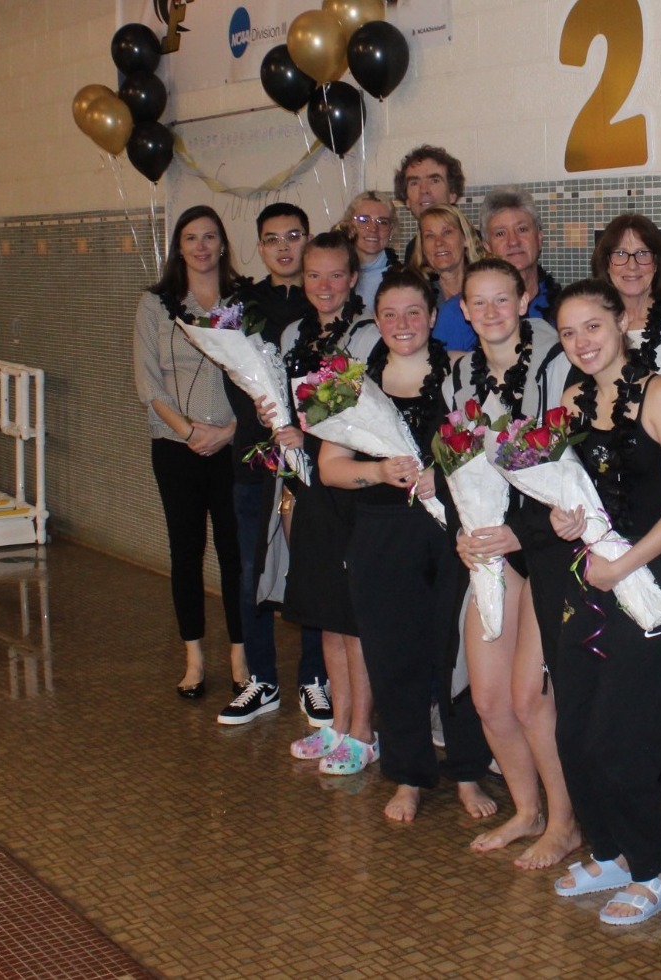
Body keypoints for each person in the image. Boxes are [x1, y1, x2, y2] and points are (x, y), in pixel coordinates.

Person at [545, 280, 661, 925]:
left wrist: (623, 566)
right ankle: (608, 851)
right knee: (574, 727)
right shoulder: (572, 400)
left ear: (620, 325)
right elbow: (571, 491)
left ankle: (653, 869)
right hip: (591, 575)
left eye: (592, 326)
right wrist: (564, 520)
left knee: (622, 735)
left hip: (653, 577)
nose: (582, 342)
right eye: (568, 333)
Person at [318, 269, 497, 822]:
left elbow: (488, 448)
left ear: (433, 315)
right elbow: (329, 469)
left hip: (450, 533)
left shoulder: (463, 372)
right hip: (381, 533)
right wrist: (379, 471)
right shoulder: (350, 383)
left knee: (455, 654)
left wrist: (444, 472)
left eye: (414, 311)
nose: (403, 323)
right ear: (376, 320)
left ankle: (466, 771)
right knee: (392, 658)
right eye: (390, 314)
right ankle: (408, 775)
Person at [448, 258, 577, 867]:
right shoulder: (459, 377)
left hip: (547, 547)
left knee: (530, 699)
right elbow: (453, 463)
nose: (492, 311)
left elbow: (570, 470)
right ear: (464, 310)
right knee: (489, 699)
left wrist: (519, 534)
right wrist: (463, 531)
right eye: (479, 301)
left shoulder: (557, 365)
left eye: (504, 298)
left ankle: (565, 822)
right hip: (494, 549)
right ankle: (527, 811)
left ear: (525, 300)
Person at [254, 232, 380, 772]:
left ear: (353, 278)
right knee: (327, 616)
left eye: (335, 275)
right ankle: (338, 724)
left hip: (353, 488)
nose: (324, 286)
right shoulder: (292, 335)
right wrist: (274, 418)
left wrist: (308, 438)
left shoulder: (369, 334)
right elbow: (289, 406)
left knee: (353, 618)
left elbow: (367, 417)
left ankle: (363, 731)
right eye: (313, 275)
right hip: (309, 489)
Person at [217, 202, 331, 727]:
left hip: (312, 461)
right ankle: (260, 680)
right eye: (272, 239)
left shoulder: (322, 304)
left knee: (313, 569)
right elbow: (235, 379)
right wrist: (263, 417)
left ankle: (315, 679)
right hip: (255, 462)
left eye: (294, 236)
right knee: (251, 571)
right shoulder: (241, 308)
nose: (284, 247)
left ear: (308, 239)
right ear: (259, 247)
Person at [133, 205, 246, 699]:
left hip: (232, 444)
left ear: (223, 245)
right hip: (175, 446)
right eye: (191, 238)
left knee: (235, 553)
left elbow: (257, 377)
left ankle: (241, 652)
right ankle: (194, 656)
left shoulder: (241, 302)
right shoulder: (155, 305)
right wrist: (188, 432)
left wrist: (229, 430)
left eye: (210, 237)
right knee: (186, 551)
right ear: (178, 248)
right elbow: (147, 382)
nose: (201, 246)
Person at [583, 212, 661, 424]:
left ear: (656, 264)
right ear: (606, 265)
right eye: (620, 253)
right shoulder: (590, 331)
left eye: (642, 253)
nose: (632, 265)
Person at [480, 186, 561, 325]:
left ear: (539, 238)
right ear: (487, 247)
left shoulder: (565, 308)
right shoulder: (461, 312)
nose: (513, 241)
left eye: (522, 229)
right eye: (500, 233)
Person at [411, 204, 483, 351]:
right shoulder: (417, 297)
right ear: (422, 247)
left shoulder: (488, 288)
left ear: (465, 239)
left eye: (447, 232)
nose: (439, 242)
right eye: (430, 236)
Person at [393, 144, 465, 269]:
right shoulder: (412, 250)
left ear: (452, 194)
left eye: (434, 181)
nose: (424, 190)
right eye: (414, 183)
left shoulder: (478, 245)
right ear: (407, 200)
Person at [340, 191, 400, 311]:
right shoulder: (334, 272)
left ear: (391, 230)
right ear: (349, 225)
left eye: (382, 222)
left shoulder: (403, 279)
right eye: (364, 220)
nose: (373, 229)